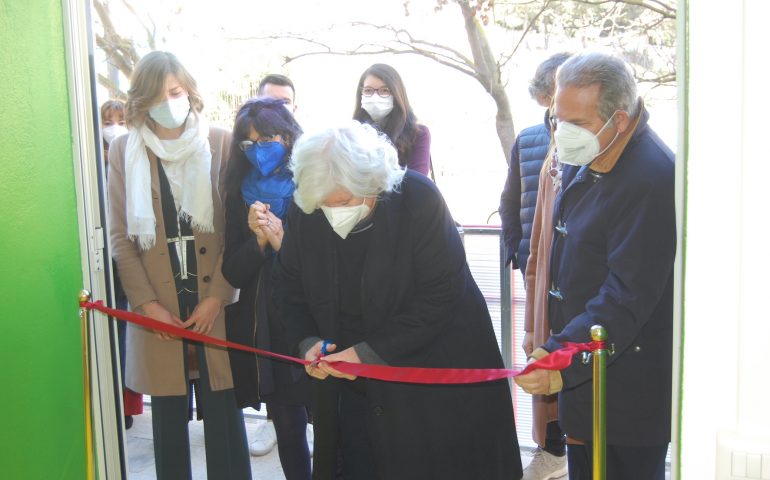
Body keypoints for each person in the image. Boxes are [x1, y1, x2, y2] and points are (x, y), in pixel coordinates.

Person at [273, 121, 522, 480]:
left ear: (372, 183)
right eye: (324, 205)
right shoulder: (308, 208)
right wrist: (307, 341)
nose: (332, 212)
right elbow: (287, 288)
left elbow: (441, 293)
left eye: (342, 202)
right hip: (348, 380)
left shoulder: (418, 199)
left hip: (430, 372)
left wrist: (367, 352)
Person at [514, 52, 676, 480]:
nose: (563, 134)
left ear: (619, 120)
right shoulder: (590, 152)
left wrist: (563, 355)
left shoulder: (652, 177)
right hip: (589, 377)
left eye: (577, 124)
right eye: (557, 119)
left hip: (627, 390)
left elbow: (626, 294)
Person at [107, 51, 250, 479]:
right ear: (140, 101)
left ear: (188, 90)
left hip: (214, 306)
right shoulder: (122, 149)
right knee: (167, 425)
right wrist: (148, 306)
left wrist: (218, 298)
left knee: (226, 421)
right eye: (157, 95)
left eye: (175, 91)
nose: (169, 101)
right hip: (158, 310)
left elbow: (234, 232)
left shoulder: (221, 141)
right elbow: (121, 238)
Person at [221, 97, 311, 480]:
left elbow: (322, 269)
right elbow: (233, 273)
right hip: (268, 332)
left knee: (333, 423)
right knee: (288, 428)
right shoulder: (237, 191)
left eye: (267, 139)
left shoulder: (312, 184)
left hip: (312, 322)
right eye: (249, 143)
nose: (258, 151)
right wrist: (258, 241)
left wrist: (281, 242)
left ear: (289, 137)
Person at [499, 52, 571, 480]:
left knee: (568, 358)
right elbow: (510, 202)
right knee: (537, 355)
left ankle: (568, 445)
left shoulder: (587, 139)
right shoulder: (528, 139)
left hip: (572, 275)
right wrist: (518, 250)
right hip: (537, 271)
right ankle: (550, 448)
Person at [100, 99, 143, 430]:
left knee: (128, 331)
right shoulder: (92, 170)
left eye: (120, 120)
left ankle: (127, 406)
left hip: (126, 264)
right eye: (107, 121)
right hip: (103, 267)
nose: (113, 126)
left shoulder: (133, 161)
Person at [352, 63, 432, 176]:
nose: (375, 97)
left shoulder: (418, 134)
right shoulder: (351, 135)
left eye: (384, 91)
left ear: (397, 93)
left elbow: (417, 184)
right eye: (368, 91)